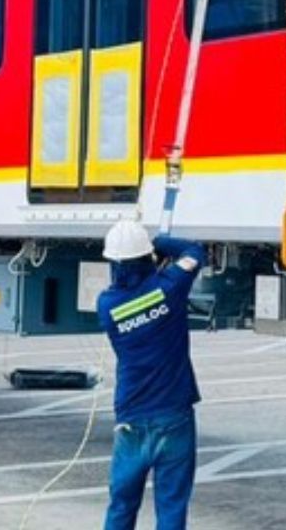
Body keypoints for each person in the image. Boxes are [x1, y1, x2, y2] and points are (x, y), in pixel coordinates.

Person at [98, 219, 207, 530]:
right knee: (172, 505)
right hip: (174, 415)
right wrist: (159, 242)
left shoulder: (107, 305)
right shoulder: (170, 287)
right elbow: (195, 252)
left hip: (132, 419)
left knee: (121, 505)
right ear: (148, 257)